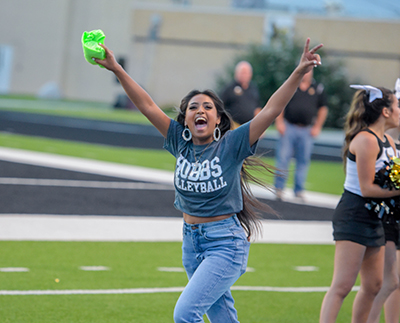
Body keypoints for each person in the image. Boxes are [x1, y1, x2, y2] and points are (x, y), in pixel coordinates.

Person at [94, 38, 323, 323]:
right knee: (222, 317)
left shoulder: (232, 144)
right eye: (193, 107)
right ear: (185, 119)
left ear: (217, 119)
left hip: (225, 243)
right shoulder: (179, 141)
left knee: (185, 314)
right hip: (191, 243)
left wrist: (299, 71)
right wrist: (116, 68)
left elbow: (270, 110)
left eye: (207, 107)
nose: (200, 110)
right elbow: (148, 105)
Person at [319, 85, 400, 323]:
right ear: (385, 111)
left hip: (375, 217)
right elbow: (367, 189)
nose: (399, 110)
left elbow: (389, 182)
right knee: (342, 285)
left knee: (374, 285)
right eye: (396, 106)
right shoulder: (366, 140)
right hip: (354, 215)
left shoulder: (388, 141)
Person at [367, 82, 400, 323]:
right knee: (386, 282)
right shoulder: (373, 139)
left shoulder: (388, 138)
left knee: (391, 282)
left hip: (391, 215)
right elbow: (368, 185)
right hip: (384, 218)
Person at [274, 67, 328, 201]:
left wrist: (317, 126)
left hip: (306, 129)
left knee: (303, 160)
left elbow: (323, 109)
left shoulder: (317, 88)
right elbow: (280, 102)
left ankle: (298, 189)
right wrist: (279, 122)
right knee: (283, 158)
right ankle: (279, 188)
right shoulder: (292, 85)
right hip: (289, 126)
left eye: (309, 71)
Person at [220, 61, 261, 128]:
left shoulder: (253, 88)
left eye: (246, 73)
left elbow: (257, 108)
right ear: (236, 73)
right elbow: (221, 106)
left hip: (250, 126)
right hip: (233, 126)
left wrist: (260, 125)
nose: (244, 75)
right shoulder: (229, 88)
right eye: (242, 72)